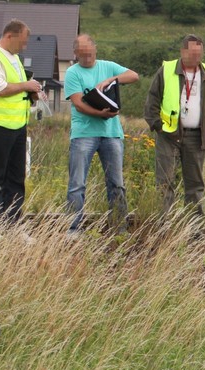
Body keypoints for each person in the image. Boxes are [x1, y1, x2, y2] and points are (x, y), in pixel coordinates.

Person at [64, 35, 139, 235]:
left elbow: (134, 76)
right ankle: (73, 230)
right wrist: (101, 114)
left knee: (116, 184)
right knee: (77, 184)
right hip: (83, 133)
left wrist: (111, 79)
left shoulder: (108, 66)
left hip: (111, 134)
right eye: (83, 55)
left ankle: (119, 229)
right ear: (75, 54)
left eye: (90, 53)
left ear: (95, 50)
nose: (87, 58)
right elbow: (78, 104)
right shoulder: (72, 72)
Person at [144, 34, 205, 217]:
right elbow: (152, 102)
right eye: (193, 54)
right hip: (168, 135)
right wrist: (158, 126)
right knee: (165, 181)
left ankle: (193, 228)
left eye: (199, 54)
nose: (196, 58)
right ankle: (165, 226)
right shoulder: (166, 70)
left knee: (195, 184)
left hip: (198, 136)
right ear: (183, 51)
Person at [0, 19, 44, 227]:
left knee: (16, 178)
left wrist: (32, 94)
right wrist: (26, 84)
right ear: (9, 36)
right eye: (22, 42)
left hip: (17, 125)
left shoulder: (14, 57)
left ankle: (12, 224)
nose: (24, 47)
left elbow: (18, 89)